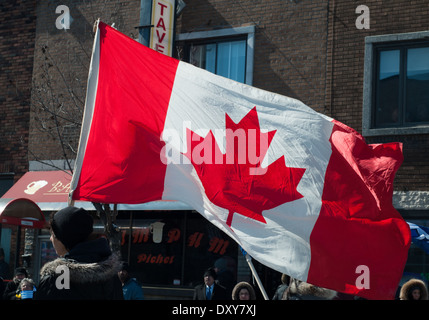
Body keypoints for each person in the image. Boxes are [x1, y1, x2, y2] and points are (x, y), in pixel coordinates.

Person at [34, 206, 123, 300]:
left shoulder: (58, 277)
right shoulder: (110, 274)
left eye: (52, 234)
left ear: (63, 237)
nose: (50, 239)